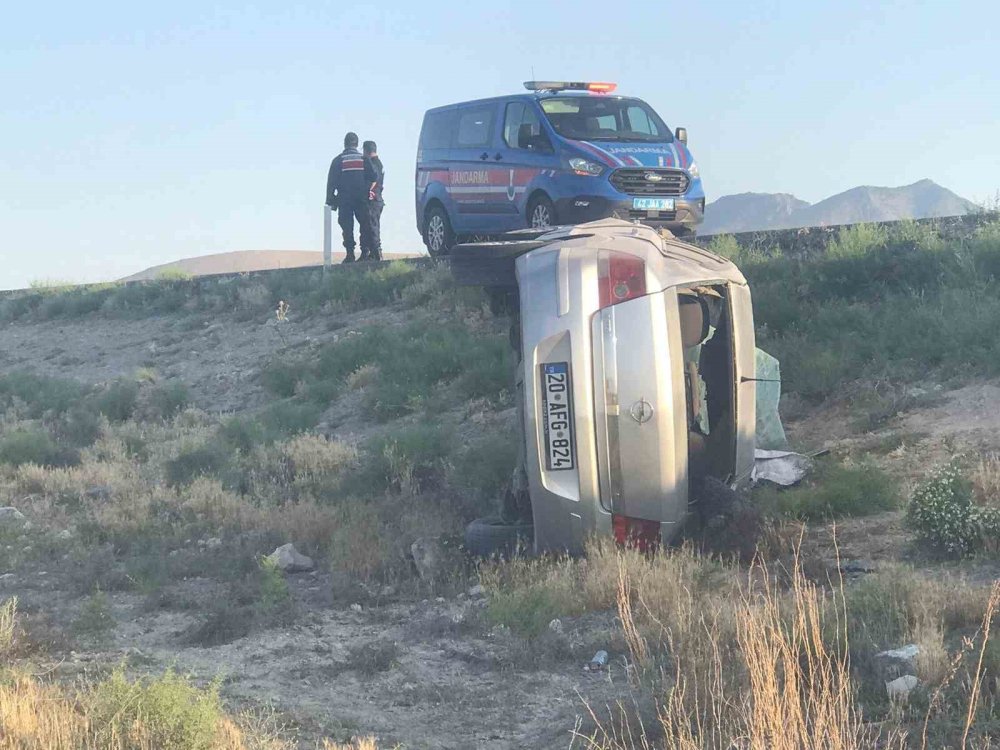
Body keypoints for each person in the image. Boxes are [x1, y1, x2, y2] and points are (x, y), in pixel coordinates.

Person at [326, 132, 371, 263]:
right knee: (364, 224)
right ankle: (364, 252)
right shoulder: (363, 159)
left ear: (345, 143)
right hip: (361, 198)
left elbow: (331, 183)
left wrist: (330, 200)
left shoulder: (338, 160)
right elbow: (373, 176)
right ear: (357, 144)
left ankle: (350, 254)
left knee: (347, 227)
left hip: (344, 200)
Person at [362, 140, 384, 261]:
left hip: (373, 199)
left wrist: (368, 189)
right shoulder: (379, 163)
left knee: (372, 226)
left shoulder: (370, 163)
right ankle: (373, 253)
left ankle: (376, 253)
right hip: (378, 199)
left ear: (365, 150)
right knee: (372, 226)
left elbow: (374, 177)